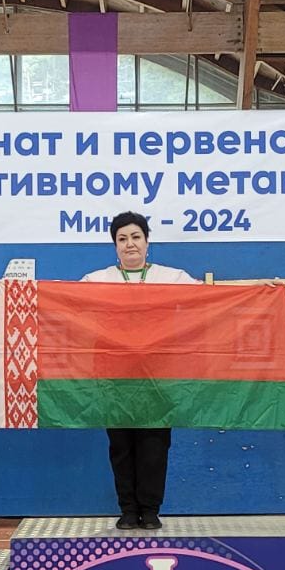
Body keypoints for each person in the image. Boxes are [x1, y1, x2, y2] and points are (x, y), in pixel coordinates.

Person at [81, 211, 199, 531]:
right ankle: (128, 509)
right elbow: (58, 300)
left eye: (135, 237)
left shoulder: (172, 277)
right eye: (122, 239)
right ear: (115, 246)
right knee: (120, 446)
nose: (129, 244)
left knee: (155, 444)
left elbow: (214, 297)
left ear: (147, 242)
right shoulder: (96, 280)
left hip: (158, 377)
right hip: (114, 377)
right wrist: (11, 291)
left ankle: (150, 509)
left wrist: (260, 288)